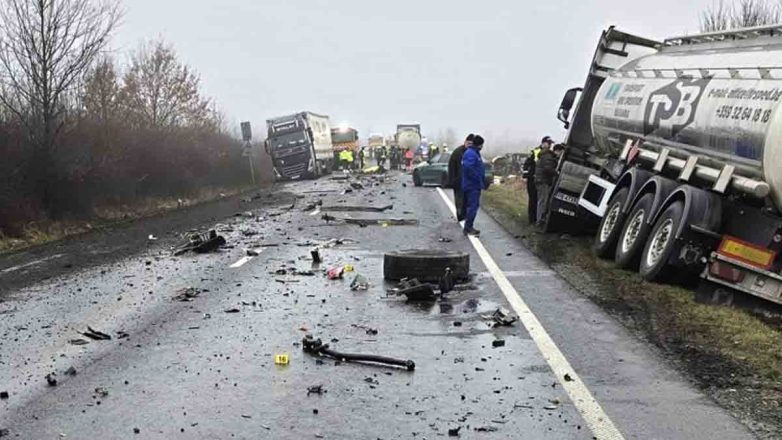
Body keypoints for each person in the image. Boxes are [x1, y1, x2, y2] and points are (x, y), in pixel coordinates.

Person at [461, 135, 486, 236]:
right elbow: (469, 168)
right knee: (473, 206)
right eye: (482, 145)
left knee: (472, 206)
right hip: (472, 185)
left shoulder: (474, 153)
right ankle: (468, 227)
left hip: (473, 184)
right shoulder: (471, 153)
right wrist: (477, 178)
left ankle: (468, 227)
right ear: (479, 144)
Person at [535, 141, 563, 226]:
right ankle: (539, 220)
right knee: (543, 201)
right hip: (543, 181)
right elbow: (547, 169)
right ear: (557, 151)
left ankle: (540, 219)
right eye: (560, 153)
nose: (560, 155)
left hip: (540, 180)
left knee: (542, 200)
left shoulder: (547, 156)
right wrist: (556, 173)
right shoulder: (549, 157)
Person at [522, 136, 549, 224]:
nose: (549, 145)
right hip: (532, 179)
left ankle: (537, 218)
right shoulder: (537, 151)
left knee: (538, 199)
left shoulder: (547, 153)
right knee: (533, 199)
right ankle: (532, 219)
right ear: (543, 143)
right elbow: (527, 164)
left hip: (539, 179)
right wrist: (527, 175)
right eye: (548, 143)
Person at [448, 134, 474, 222]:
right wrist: (452, 180)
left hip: (469, 181)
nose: (470, 145)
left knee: (468, 200)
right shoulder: (458, 152)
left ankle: (465, 215)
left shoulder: (473, 153)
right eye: (469, 143)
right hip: (458, 181)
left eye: (471, 144)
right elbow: (451, 167)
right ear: (465, 142)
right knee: (459, 199)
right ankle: (460, 215)